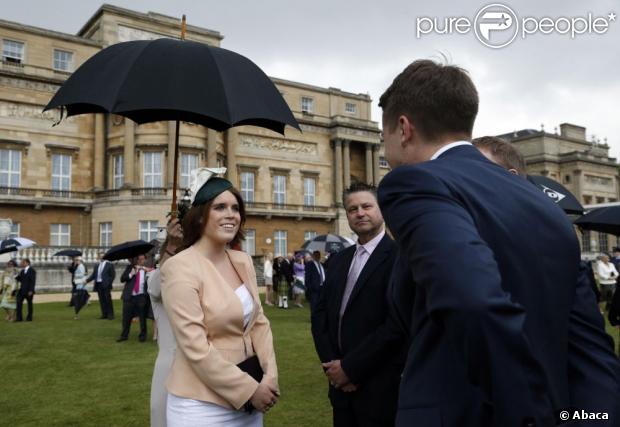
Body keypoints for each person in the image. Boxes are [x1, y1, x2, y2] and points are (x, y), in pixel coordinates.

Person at [377, 59, 620, 426]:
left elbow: (473, 301)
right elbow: (591, 352)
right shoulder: (544, 204)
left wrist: (526, 414)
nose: (384, 151)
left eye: (383, 138)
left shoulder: (415, 183)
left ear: (403, 128)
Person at [161, 170, 279, 426]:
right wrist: (249, 390)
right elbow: (195, 347)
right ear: (201, 215)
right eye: (220, 207)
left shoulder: (243, 261)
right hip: (201, 405)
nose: (231, 215)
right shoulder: (180, 267)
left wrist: (270, 375)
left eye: (235, 208)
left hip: (250, 398)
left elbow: (259, 323)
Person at [311, 182, 404, 427]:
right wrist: (334, 369)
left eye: (366, 206)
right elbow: (320, 317)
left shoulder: (400, 258)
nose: (360, 213)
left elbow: (397, 324)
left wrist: (351, 369)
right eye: (352, 209)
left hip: (379, 386)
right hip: (339, 388)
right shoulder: (339, 260)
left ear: (381, 209)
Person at [149, 218, 183, 427]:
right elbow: (157, 287)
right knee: (162, 417)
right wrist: (172, 246)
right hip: (170, 363)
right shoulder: (154, 279)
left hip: (204, 366)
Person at [117, 254, 149, 342]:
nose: (141, 261)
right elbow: (122, 279)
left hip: (141, 296)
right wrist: (131, 274)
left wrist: (147, 270)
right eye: (139, 259)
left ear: (145, 260)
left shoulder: (147, 270)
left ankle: (142, 337)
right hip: (129, 296)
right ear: (137, 260)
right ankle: (124, 335)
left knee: (142, 318)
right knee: (126, 318)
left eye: (142, 259)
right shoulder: (130, 267)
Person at [87, 252, 116, 320]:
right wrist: (87, 280)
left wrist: (109, 283)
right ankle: (104, 314)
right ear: (99, 257)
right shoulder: (97, 265)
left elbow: (113, 275)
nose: (101, 257)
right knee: (102, 300)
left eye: (103, 256)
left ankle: (111, 315)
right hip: (98, 284)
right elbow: (94, 275)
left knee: (108, 300)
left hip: (106, 284)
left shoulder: (109, 265)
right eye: (100, 256)